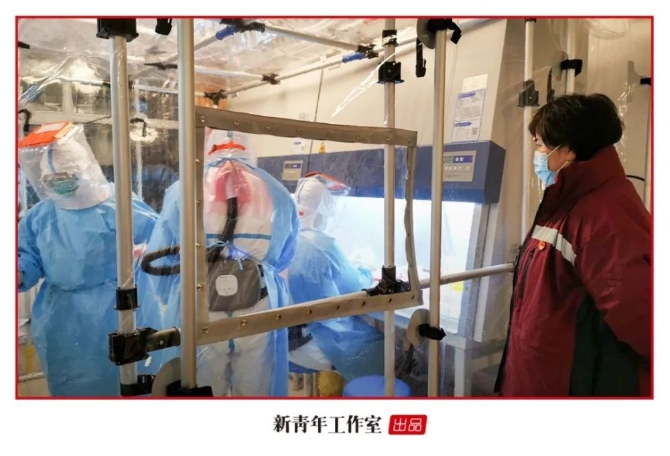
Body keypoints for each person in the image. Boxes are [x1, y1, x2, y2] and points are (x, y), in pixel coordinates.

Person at [494, 93, 651, 397]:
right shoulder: (567, 201)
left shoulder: (603, 215)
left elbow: (641, 318)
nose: (537, 154)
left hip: (570, 384)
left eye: (540, 144)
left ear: (567, 149)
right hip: (541, 375)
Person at [141, 128, 299, 396]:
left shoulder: (184, 189)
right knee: (256, 390)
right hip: (258, 308)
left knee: (201, 388)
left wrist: (169, 299)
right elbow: (284, 255)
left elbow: (163, 252)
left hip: (200, 306)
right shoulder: (278, 192)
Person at [17, 122, 163, 397]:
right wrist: (20, 273)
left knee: (129, 382)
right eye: (51, 178)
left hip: (120, 308)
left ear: (84, 170)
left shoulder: (118, 204)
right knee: (72, 385)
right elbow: (28, 257)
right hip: (62, 317)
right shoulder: (41, 215)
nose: (59, 183)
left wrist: (142, 253)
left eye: (66, 175)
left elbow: (160, 240)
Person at [287, 174, 385, 396]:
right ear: (322, 213)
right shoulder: (322, 245)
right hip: (316, 342)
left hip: (286, 343)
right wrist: (366, 272)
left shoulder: (286, 238)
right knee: (383, 347)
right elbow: (354, 287)